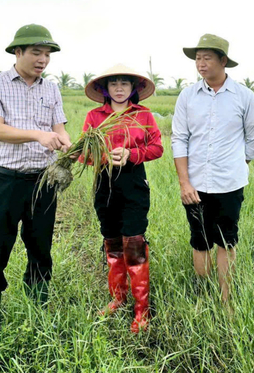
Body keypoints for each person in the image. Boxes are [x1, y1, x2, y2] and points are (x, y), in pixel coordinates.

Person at [0, 24, 72, 336]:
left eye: (47, 54)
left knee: (41, 247)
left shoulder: (51, 89)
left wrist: (68, 144)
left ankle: (38, 311)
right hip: (6, 181)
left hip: (43, 183)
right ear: (17, 52)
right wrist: (38, 135)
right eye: (36, 52)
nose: (42, 59)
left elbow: (59, 129)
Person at [171, 34, 254, 305]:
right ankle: (203, 294)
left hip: (229, 184)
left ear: (223, 61)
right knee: (199, 238)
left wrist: (236, 163)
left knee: (226, 240)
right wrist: (184, 182)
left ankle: (225, 298)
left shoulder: (245, 97)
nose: (201, 63)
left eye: (207, 58)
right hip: (195, 183)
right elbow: (179, 138)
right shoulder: (187, 96)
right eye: (198, 58)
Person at [80, 64, 163, 333]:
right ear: (105, 89)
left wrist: (132, 155)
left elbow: (157, 147)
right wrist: (103, 157)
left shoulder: (143, 115)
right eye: (113, 83)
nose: (118, 88)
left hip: (134, 184)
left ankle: (142, 310)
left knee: (134, 243)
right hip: (104, 184)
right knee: (112, 241)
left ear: (133, 88)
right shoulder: (94, 117)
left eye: (124, 84)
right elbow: (82, 154)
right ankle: (118, 297)